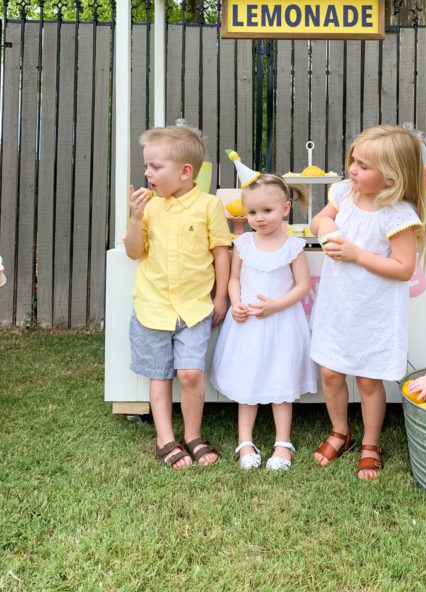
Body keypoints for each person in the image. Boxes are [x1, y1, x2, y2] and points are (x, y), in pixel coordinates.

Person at [310, 124, 426, 480]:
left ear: (392, 178)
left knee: (367, 380)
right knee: (331, 372)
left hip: (374, 312)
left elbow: (403, 267)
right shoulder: (344, 194)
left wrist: (355, 254)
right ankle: (340, 431)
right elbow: (320, 219)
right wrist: (325, 231)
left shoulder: (397, 215)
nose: (353, 169)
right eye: (353, 160)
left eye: (364, 166)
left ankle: (371, 442)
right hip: (338, 305)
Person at [124, 125, 231, 469]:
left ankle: (193, 434)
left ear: (186, 172)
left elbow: (221, 254)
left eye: (155, 167)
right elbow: (133, 251)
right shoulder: (149, 208)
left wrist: (222, 298)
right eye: (146, 166)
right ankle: (165, 439)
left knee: (190, 374)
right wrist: (135, 217)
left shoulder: (210, 206)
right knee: (160, 374)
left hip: (195, 309)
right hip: (153, 308)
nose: (147, 173)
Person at [211, 174, 317, 470]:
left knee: (279, 378)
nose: (258, 218)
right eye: (252, 212)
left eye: (266, 211)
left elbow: (301, 287)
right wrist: (235, 303)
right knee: (248, 379)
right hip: (247, 325)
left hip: (281, 323)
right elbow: (233, 279)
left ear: (285, 209)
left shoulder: (293, 246)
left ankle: (282, 442)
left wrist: (276, 305)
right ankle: (245, 440)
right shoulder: (243, 243)